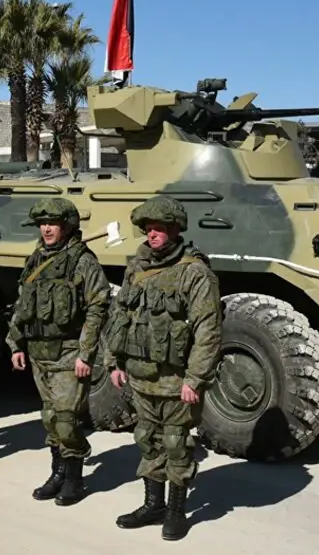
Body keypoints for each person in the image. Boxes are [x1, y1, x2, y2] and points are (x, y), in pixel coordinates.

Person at [104, 195, 223, 541]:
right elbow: (120, 317)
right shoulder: (136, 269)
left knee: (175, 443)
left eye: (159, 229)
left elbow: (208, 330)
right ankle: (153, 504)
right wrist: (114, 361)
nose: (152, 234)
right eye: (148, 229)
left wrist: (195, 378)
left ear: (174, 230)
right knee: (146, 439)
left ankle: (176, 511)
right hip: (140, 376)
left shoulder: (194, 273)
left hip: (176, 380)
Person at [7, 198, 111, 506]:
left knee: (66, 420)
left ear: (67, 226)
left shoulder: (82, 261)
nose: (46, 229)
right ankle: (58, 473)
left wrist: (85, 353)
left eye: (52, 223)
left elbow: (97, 307)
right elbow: (22, 304)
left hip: (68, 351)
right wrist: (16, 343)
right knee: (50, 418)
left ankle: (75, 478)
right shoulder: (36, 258)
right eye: (42, 224)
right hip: (39, 351)